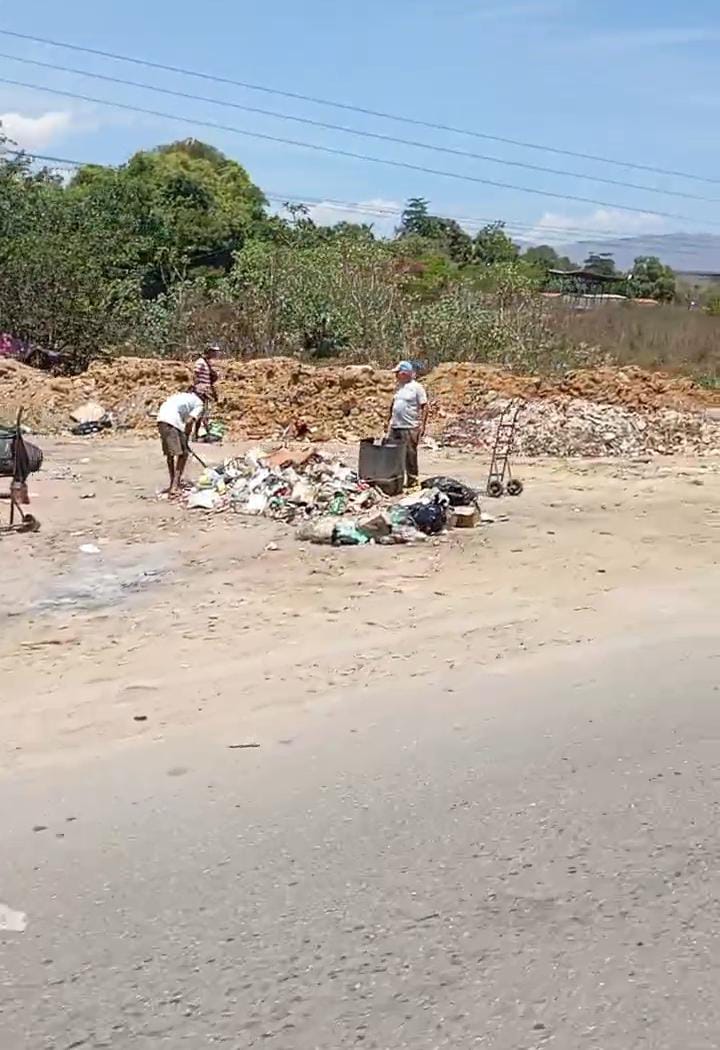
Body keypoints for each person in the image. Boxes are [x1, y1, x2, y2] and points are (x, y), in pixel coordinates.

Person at [387, 360, 429, 489]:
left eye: (397, 373)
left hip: (409, 427)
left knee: (410, 455)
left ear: (405, 373)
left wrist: (422, 424)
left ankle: (412, 481)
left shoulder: (416, 387)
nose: (396, 375)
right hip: (396, 426)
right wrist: (388, 421)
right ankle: (396, 481)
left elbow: (425, 406)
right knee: (394, 455)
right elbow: (393, 405)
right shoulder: (399, 387)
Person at [157, 390, 204, 496]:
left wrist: (184, 437)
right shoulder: (199, 403)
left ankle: (173, 483)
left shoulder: (183, 396)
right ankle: (174, 486)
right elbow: (189, 421)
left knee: (170, 454)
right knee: (183, 454)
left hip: (161, 419)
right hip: (172, 421)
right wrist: (186, 437)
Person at [191, 342, 221, 440]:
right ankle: (196, 434)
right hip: (201, 391)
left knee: (203, 412)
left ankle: (199, 434)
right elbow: (195, 374)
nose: (216, 354)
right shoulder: (200, 362)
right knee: (201, 412)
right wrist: (198, 387)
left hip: (205, 390)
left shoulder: (206, 363)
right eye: (214, 352)